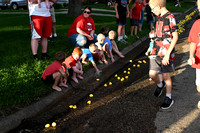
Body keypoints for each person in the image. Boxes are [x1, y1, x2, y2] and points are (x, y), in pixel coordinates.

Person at [148, 0, 178, 109]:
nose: (151, 11)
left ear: (158, 6)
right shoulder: (158, 17)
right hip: (156, 51)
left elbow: (175, 37)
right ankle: (160, 85)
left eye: (152, 8)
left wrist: (167, 54)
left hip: (166, 53)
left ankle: (168, 97)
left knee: (166, 75)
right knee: (152, 74)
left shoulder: (170, 17)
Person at [188, 2, 200, 108]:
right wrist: (191, 55)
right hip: (199, 61)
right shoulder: (197, 24)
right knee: (199, 86)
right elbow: (193, 42)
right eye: (199, 7)